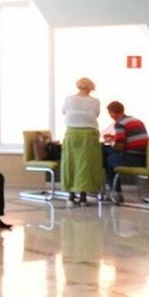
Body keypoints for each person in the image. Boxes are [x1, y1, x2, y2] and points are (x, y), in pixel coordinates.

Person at [61, 77, 105, 205]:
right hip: (89, 135)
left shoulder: (68, 99)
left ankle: (70, 195)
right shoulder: (95, 101)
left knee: (70, 163)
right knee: (86, 164)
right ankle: (83, 196)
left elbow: (64, 112)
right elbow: (96, 114)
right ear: (91, 88)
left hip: (72, 134)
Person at [101, 101, 148, 204]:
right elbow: (131, 139)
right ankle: (113, 191)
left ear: (111, 113)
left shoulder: (120, 124)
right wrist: (114, 138)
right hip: (144, 158)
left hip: (132, 158)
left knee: (106, 156)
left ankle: (115, 192)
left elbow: (120, 147)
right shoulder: (137, 121)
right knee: (108, 155)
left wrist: (111, 143)